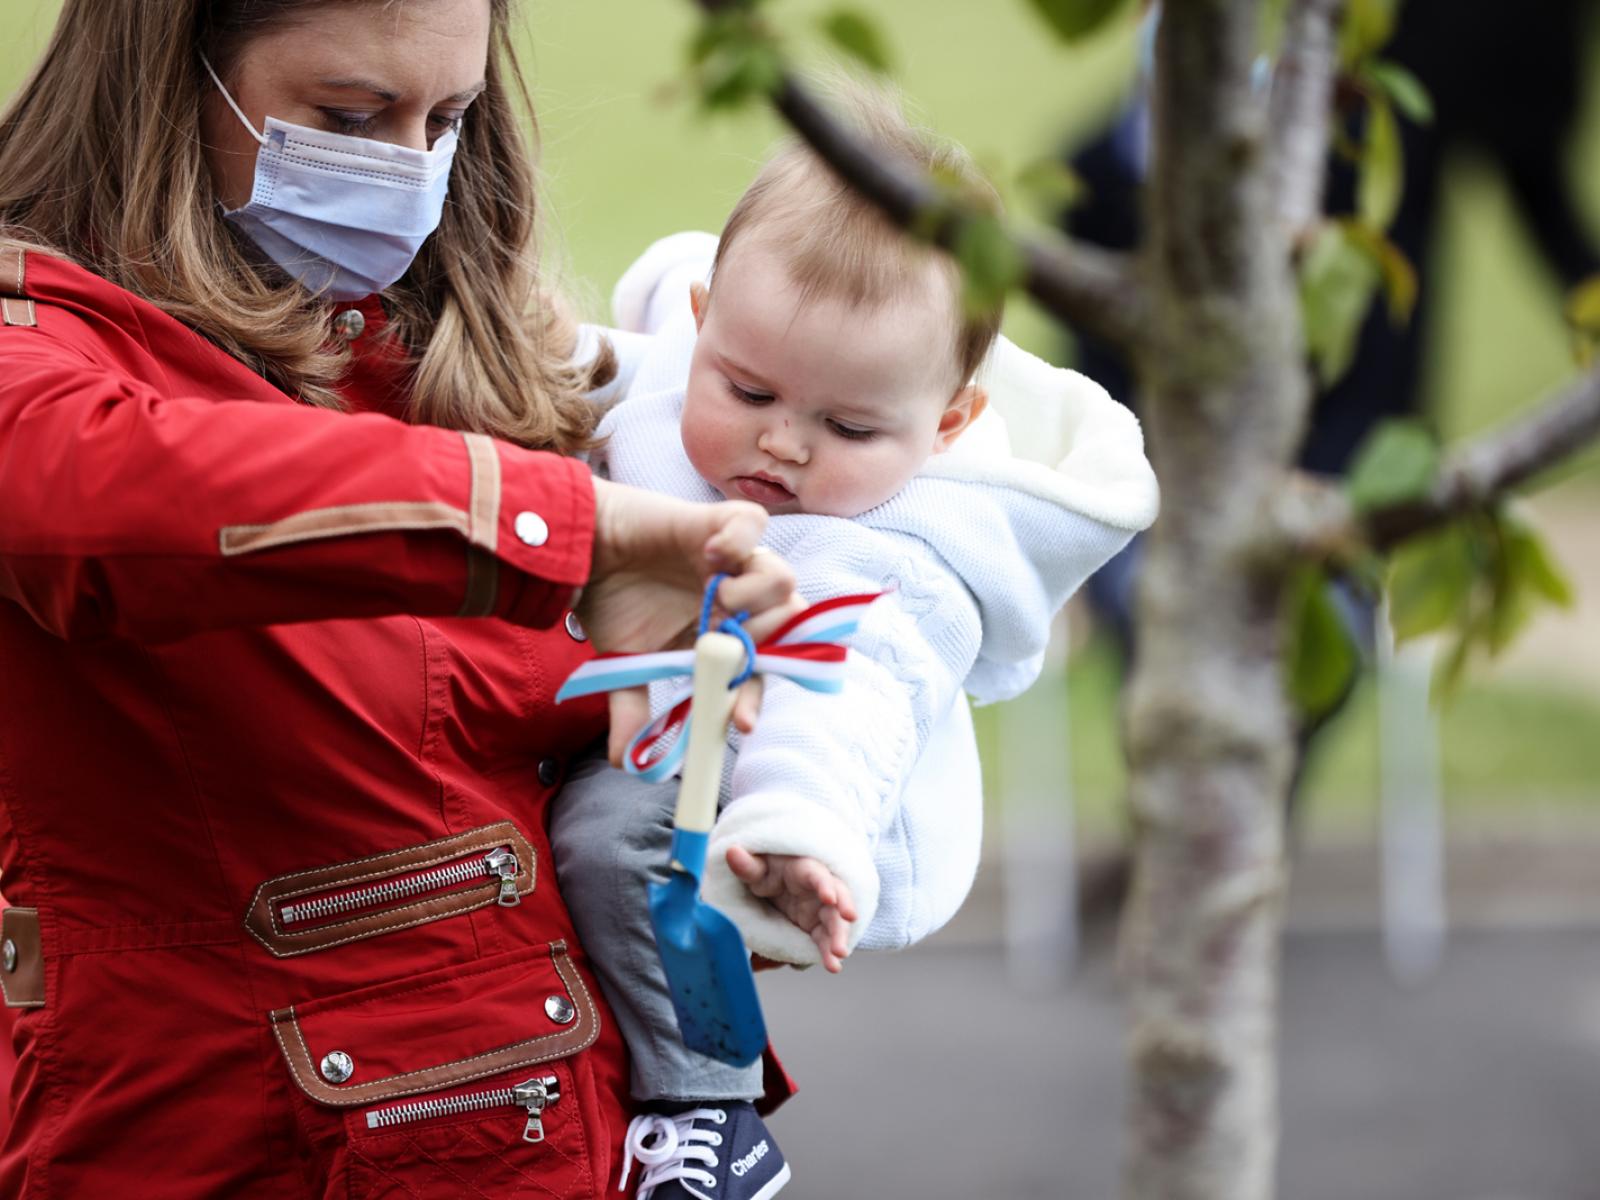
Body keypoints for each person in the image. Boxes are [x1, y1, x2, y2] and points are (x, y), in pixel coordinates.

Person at [0, 1, 802, 1195]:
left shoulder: (433, 343)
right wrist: (567, 532)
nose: (411, 170)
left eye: (450, 119)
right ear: (169, 74)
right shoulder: (41, 347)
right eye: (351, 117)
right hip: (237, 1144)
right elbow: (96, 501)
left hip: (564, 1135)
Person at [549, 96, 1160, 1199]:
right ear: (701, 323)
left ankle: (707, 1111)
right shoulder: (688, 369)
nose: (780, 444)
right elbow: (594, 380)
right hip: (640, 702)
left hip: (773, 778)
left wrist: (798, 831)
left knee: (611, 839)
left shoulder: (892, 556)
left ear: (949, 427)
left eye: (848, 429)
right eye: (747, 392)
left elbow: (848, 699)